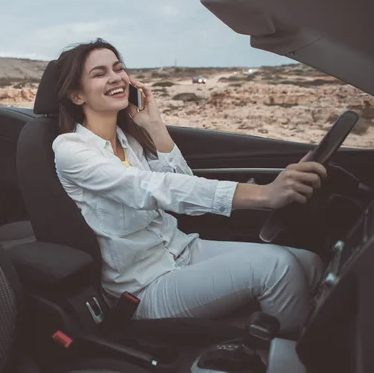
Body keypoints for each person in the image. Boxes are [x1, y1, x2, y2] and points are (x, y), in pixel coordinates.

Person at [52, 38, 325, 332]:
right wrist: (263, 194)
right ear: (77, 96)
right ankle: (294, 356)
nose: (116, 77)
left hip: (184, 251)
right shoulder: (71, 149)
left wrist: (154, 124)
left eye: (118, 68)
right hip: (143, 287)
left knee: (311, 263)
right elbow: (152, 187)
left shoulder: (127, 140)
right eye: (99, 73)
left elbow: (183, 180)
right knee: (277, 268)